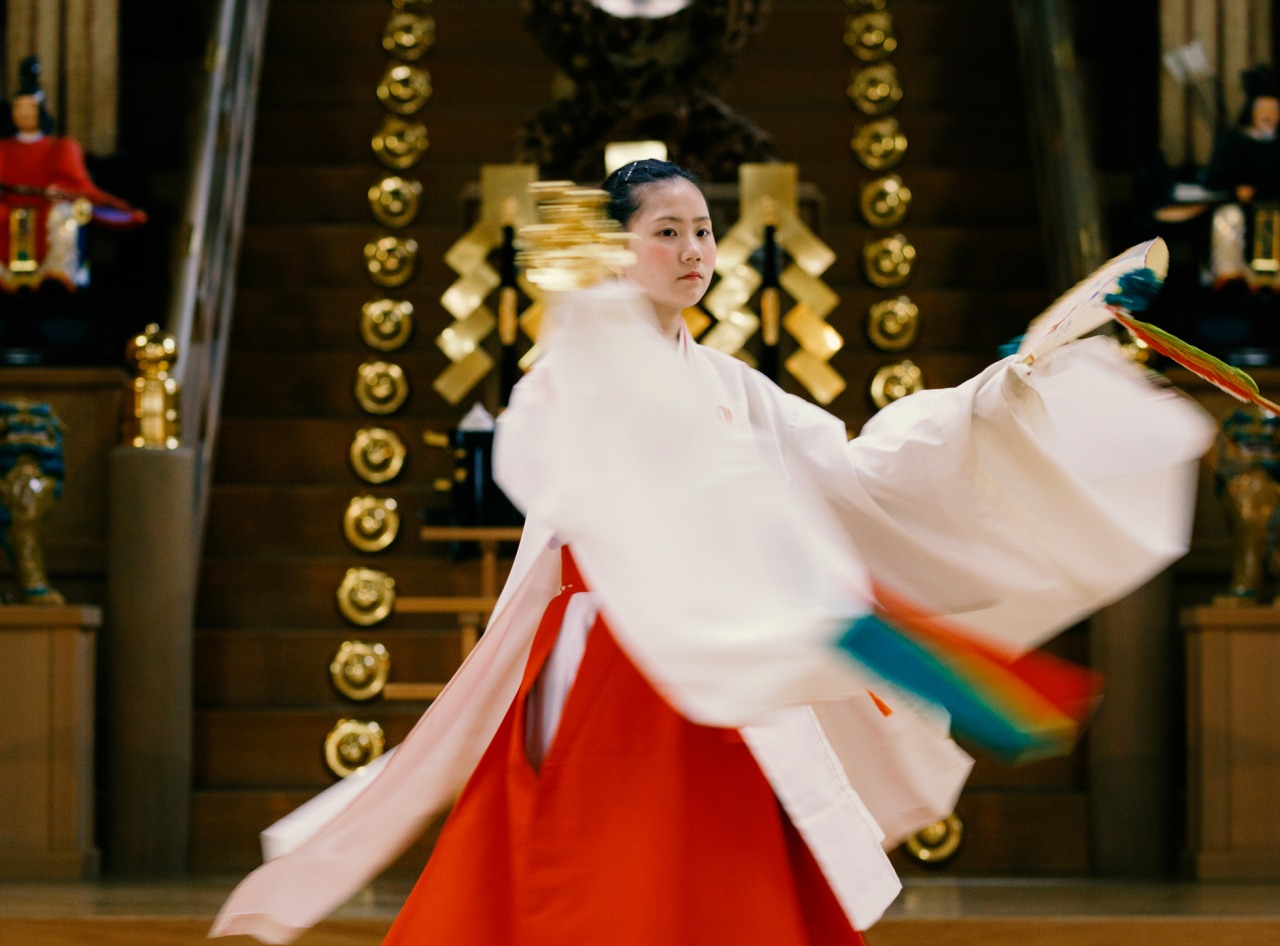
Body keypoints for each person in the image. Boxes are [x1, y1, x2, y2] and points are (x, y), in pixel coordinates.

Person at [211, 160, 1214, 945]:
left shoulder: (732, 385)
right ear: (619, 251)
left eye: (700, 230)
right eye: (666, 231)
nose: (692, 248)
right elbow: (577, 476)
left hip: (723, 671)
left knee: (719, 890)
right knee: (602, 888)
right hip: (615, 668)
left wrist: (1006, 387)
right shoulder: (568, 375)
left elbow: (859, 475)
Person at [0, 55, 145, 291]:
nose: (24, 114)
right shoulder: (3, 149)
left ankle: (57, 274)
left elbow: (76, 186)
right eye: (19, 108)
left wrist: (58, 191)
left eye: (30, 108)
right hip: (8, 208)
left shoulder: (61, 147)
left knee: (64, 214)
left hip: (46, 207)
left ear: (42, 111)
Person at [1203, 70, 1280, 289]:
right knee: (1228, 217)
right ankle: (1230, 274)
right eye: (1262, 110)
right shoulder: (1233, 142)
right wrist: (1235, 189)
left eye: (1273, 110)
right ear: (1252, 112)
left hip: (1275, 203)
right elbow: (1214, 178)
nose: (1268, 115)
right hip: (1241, 204)